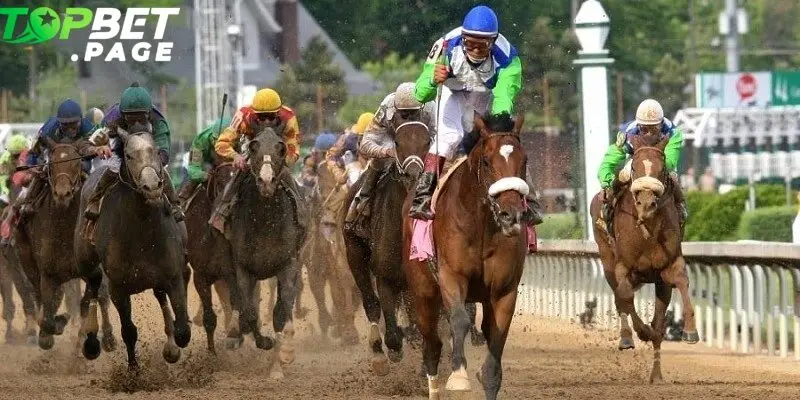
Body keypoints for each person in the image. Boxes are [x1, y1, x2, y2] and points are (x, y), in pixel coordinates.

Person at [409, 5, 540, 225]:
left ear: (493, 41)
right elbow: (420, 94)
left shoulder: (508, 59)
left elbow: (503, 99)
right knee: (448, 139)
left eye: (482, 46)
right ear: (462, 38)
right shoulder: (445, 48)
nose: (475, 51)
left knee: (505, 146)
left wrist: (496, 130)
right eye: (470, 44)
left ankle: (531, 202)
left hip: (486, 97)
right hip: (454, 95)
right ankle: (421, 197)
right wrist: (433, 78)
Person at [82, 83, 182, 227]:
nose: (136, 122)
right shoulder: (112, 117)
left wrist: (151, 162)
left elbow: (165, 154)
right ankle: (94, 200)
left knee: (161, 169)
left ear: (148, 114)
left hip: (149, 153)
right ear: (122, 114)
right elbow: (89, 143)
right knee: (113, 168)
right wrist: (99, 147)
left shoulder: (158, 121)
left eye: (140, 118)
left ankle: (175, 203)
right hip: (122, 151)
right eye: (130, 118)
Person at [209, 88, 304, 233]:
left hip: (277, 150)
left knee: (288, 177)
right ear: (254, 114)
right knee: (237, 177)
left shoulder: (289, 117)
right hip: (253, 148)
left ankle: (303, 215)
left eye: (271, 117)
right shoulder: (243, 115)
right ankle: (221, 212)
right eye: (261, 117)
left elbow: (293, 149)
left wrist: (282, 160)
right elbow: (221, 143)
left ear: (278, 113)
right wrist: (236, 156)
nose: (266, 121)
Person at [345, 82, 436, 226]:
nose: (409, 117)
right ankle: (363, 198)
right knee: (379, 159)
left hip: (422, 142)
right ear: (396, 108)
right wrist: (385, 151)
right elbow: (366, 142)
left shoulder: (431, 107)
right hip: (392, 141)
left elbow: (439, 138)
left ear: (421, 107)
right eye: (404, 114)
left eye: (413, 113)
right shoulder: (387, 106)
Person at [597, 98, 686, 234]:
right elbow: (608, 162)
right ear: (638, 126)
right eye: (645, 129)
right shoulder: (627, 134)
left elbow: (670, 162)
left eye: (654, 128)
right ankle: (607, 215)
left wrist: (652, 166)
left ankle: (680, 210)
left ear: (661, 125)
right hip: (637, 162)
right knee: (623, 175)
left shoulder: (673, 133)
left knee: (673, 178)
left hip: (661, 164)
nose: (649, 133)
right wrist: (606, 181)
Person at [17, 99, 110, 218]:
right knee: (43, 167)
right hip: (54, 153)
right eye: (65, 125)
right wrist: (31, 166)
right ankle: (29, 200)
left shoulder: (88, 128)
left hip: (78, 154)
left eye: (74, 124)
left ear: (81, 120)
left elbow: (89, 149)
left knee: (86, 166)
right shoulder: (48, 129)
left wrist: (97, 149)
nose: (70, 129)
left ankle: (94, 200)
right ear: (59, 122)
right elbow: (34, 150)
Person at [177, 117, 232, 208]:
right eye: (216, 141)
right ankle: (179, 206)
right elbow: (193, 169)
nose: (218, 146)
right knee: (192, 180)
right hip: (205, 164)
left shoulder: (238, 140)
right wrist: (205, 176)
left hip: (227, 162)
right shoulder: (200, 140)